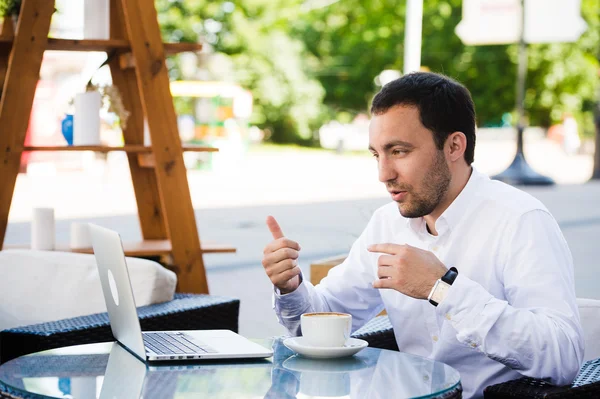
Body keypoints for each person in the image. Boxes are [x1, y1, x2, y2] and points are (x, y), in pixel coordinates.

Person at [261, 72, 584, 398]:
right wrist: (290, 287)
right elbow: (320, 321)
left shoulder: (520, 221)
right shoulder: (387, 222)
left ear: (454, 145)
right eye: (377, 154)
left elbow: (562, 357)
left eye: (399, 151)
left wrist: (442, 289)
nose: (383, 174)